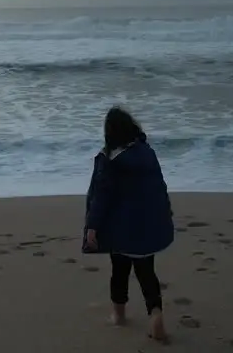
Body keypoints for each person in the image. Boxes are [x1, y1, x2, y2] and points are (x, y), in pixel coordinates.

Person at [83, 105, 174, 343]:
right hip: (149, 227)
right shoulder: (146, 152)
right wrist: (166, 214)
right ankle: (155, 314)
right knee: (147, 274)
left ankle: (118, 315)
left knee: (120, 271)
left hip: (122, 229)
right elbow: (160, 187)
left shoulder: (111, 160)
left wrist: (92, 227)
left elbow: (102, 196)